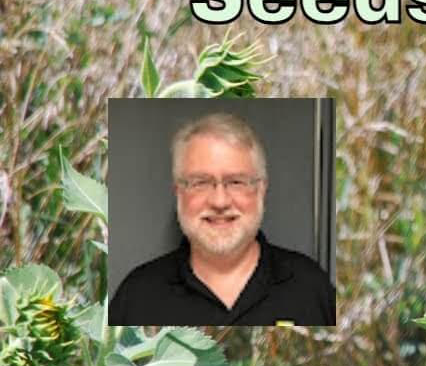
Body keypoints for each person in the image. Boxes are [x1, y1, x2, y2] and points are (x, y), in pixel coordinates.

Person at [109, 112, 335, 326]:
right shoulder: (136, 298)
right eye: (200, 182)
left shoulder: (311, 289)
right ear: (179, 192)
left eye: (236, 182)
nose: (219, 202)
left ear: (261, 190)